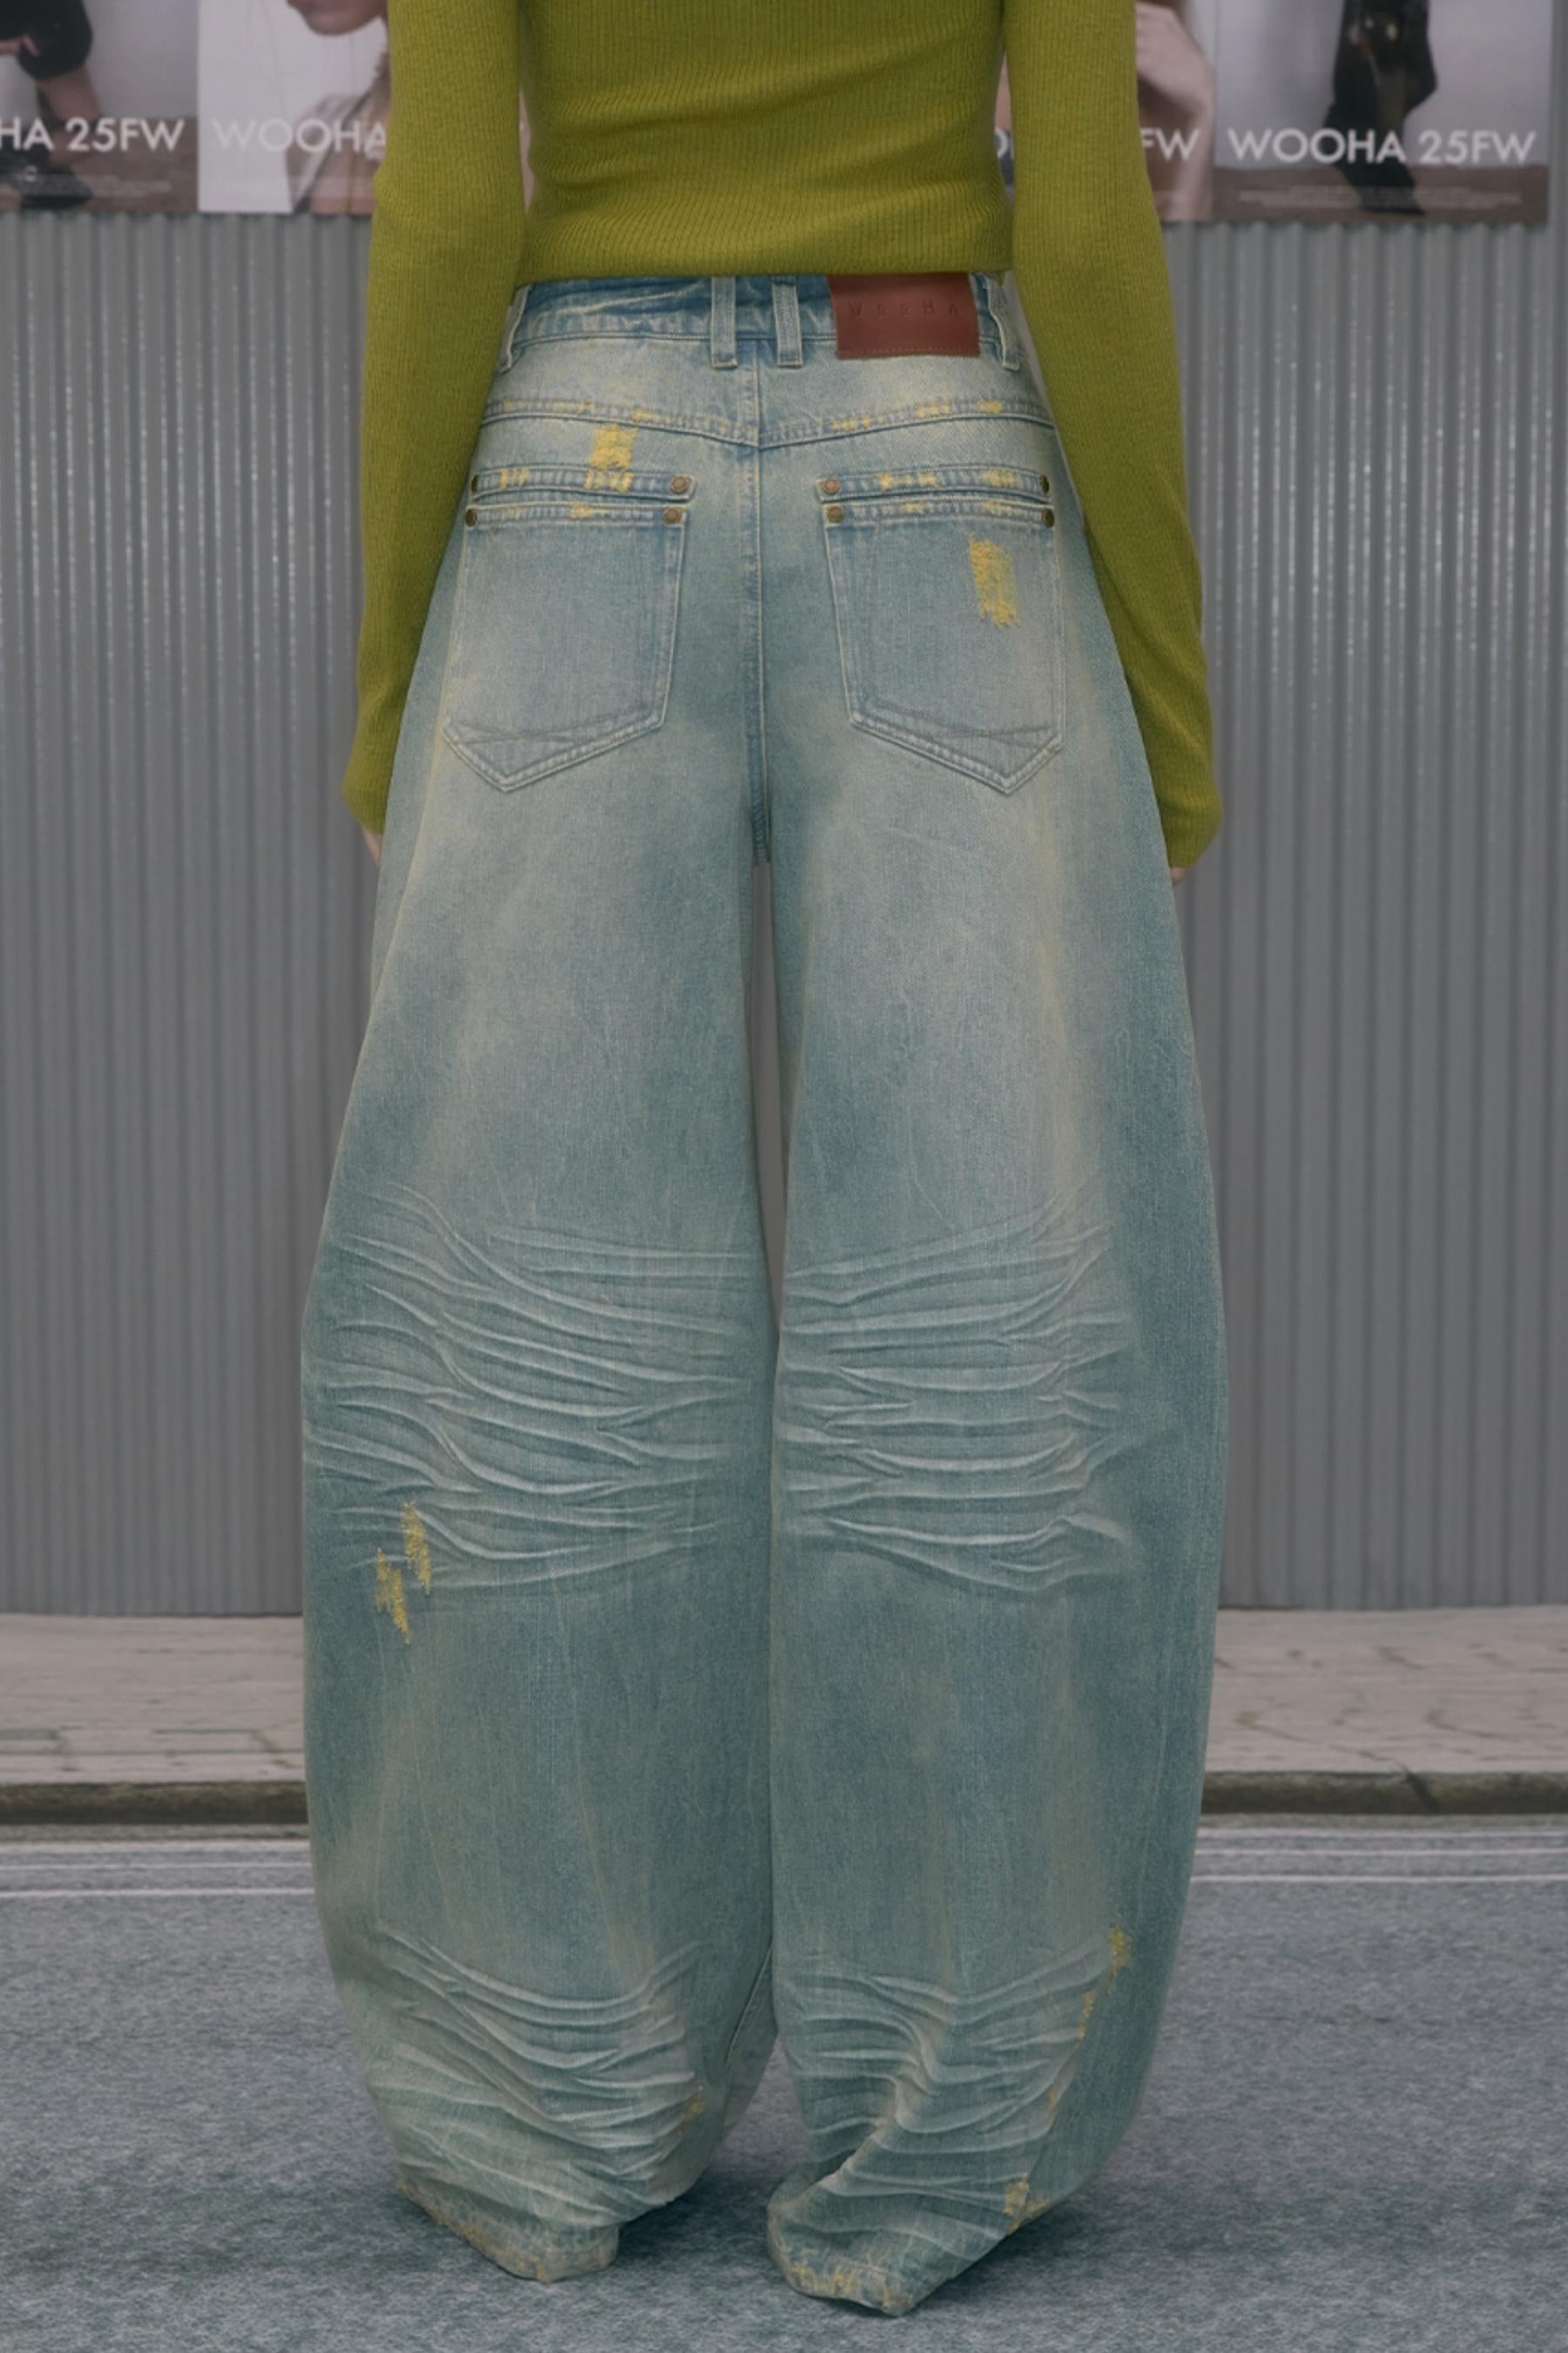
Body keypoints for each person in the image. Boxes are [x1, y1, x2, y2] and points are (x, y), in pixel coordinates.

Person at [300, 0, 1229, 2317]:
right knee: (990, 1327)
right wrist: (1167, 697)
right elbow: (1082, 220)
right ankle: (950, 2133)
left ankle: (546, 2111)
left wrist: (399, 667)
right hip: (938, 449)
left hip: (571, 465)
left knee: (529, 1338)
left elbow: (450, 205)